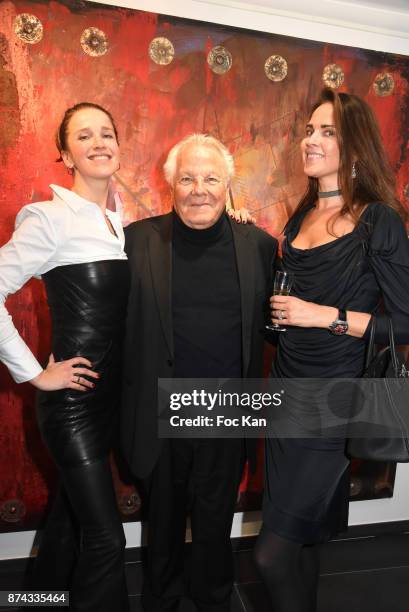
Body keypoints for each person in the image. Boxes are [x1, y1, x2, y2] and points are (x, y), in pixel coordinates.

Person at [253, 88, 409, 611]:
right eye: (309, 130)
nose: (310, 140)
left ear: (357, 148)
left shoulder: (377, 220)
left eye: (327, 132)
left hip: (339, 401)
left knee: (270, 555)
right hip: (286, 393)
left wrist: (323, 316)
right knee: (303, 534)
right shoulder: (298, 218)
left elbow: (406, 322)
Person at [121, 133, 277, 611]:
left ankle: (213, 598)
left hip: (228, 408)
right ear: (170, 184)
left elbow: (275, 323)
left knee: (214, 522)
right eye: (187, 178)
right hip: (159, 405)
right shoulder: (137, 239)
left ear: (227, 185)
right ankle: (161, 598)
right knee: (162, 521)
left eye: (210, 178)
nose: (199, 189)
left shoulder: (260, 245)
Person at [0, 102, 130, 611]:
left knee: (70, 519)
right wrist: (35, 373)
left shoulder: (117, 221)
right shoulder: (49, 217)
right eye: (84, 136)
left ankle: (38, 600)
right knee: (106, 538)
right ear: (65, 153)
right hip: (71, 406)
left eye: (107, 132)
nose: (99, 142)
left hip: (106, 402)